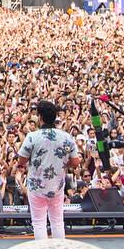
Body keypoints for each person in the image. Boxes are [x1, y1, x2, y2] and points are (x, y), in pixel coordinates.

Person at [17, 100, 80, 240]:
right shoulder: (66, 137)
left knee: (39, 223)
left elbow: (21, 160)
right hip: (56, 186)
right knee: (57, 222)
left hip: (36, 186)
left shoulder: (32, 137)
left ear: (40, 117)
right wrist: (62, 163)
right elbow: (76, 162)